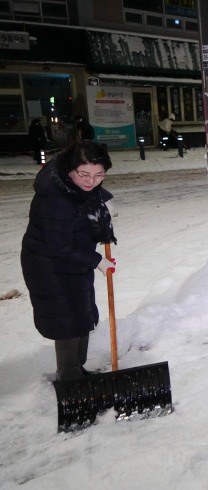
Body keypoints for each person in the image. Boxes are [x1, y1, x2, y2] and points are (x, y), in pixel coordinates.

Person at [20, 140, 116, 381]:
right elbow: (59, 245)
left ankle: (77, 368)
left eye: (99, 175)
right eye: (84, 174)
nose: (90, 181)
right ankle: (70, 377)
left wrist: (103, 199)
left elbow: (89, 193)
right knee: (68, 320)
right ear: (69, 169)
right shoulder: (55, 197)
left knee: (82, 314)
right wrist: (97, 261)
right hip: (48, 263)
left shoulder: (76, 183)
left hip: (74, 259)